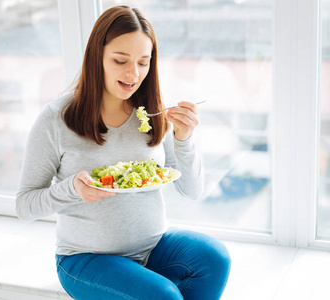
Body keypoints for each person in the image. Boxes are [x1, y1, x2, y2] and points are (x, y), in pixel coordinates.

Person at [16, 5, 231, 300]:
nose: (133, 73)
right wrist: (72, 189)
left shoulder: (152, 113)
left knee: (215, 259)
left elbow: (192, 191)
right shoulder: (57, 118)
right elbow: (25, 205)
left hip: (153, 248)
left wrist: (185, 139)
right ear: (97, 57)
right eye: (120, 60)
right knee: (163, 295)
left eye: (144, 63)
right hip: (85, 258)